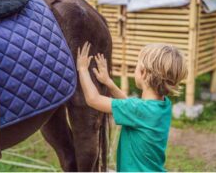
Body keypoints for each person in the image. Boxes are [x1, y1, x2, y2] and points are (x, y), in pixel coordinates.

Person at [77, 42, 188, 172]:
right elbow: (130, 108)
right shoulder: (164, 105)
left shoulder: (137, 109)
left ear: (143, 73)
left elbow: (93, 99)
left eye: (136, 65)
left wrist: (83, 69)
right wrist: (109, 83)